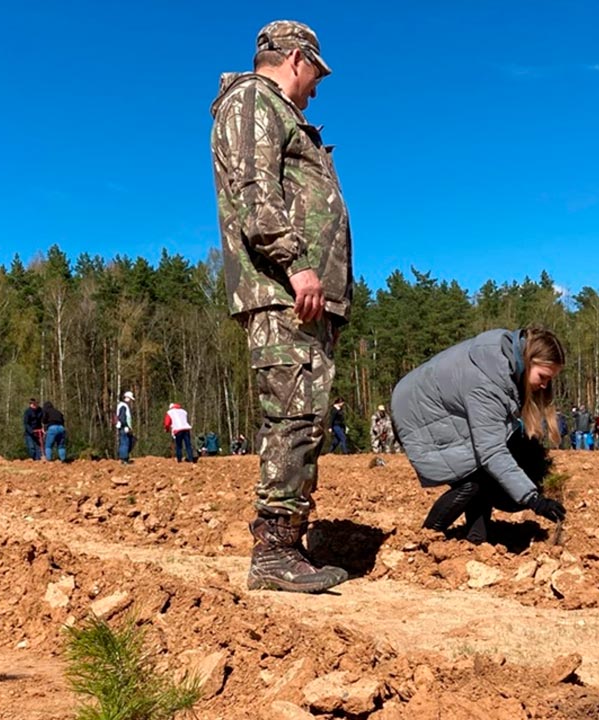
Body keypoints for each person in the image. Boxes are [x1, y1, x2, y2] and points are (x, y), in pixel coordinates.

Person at [210, 19, 350, 593]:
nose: (315, 88)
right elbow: (255, 194)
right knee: (292, 414)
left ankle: (289, 540)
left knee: (305, 415)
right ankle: (274, 553)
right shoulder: (252, 101)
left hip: (298, 296)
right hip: (282, 291)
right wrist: (296, 263)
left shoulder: (275, 110)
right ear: (296, 58)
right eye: (314, 74)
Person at [391, 327, 569, 544]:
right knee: (472, 479)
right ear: (529, 359)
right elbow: (491, 452)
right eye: (543, 377)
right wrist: (533, 499)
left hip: (424, 405)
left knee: (484, 473)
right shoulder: (488, 382)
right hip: (418, 416)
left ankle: (476, 539)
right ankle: (426, 535)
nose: (544, 385)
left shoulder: (504, 361)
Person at [115, 391, 135, 465]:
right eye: (130, 399)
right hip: (124, 427)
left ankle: (124, 458)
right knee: (125, 442)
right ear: (127, 398)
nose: (130, 401)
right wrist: (126, 426)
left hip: (123, 427)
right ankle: (124, 459)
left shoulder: (121, 405)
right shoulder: (123, 406)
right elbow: (122, 417)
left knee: (126, 441)